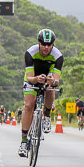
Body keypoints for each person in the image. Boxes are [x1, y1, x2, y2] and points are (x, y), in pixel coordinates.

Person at [18, 29, 63, 157]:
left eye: (49, 45)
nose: (46, 47)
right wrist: (36, 79)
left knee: (50, 87)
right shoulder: (30, 53)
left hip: (48, 77)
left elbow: (56, 80)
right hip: (33, 78)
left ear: (53, 44)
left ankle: (47, 116)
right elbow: (30, 78)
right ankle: (23, 142)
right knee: (28, 106)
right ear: (38, 42)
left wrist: (52, 81)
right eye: (43, 44)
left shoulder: (58, 56)